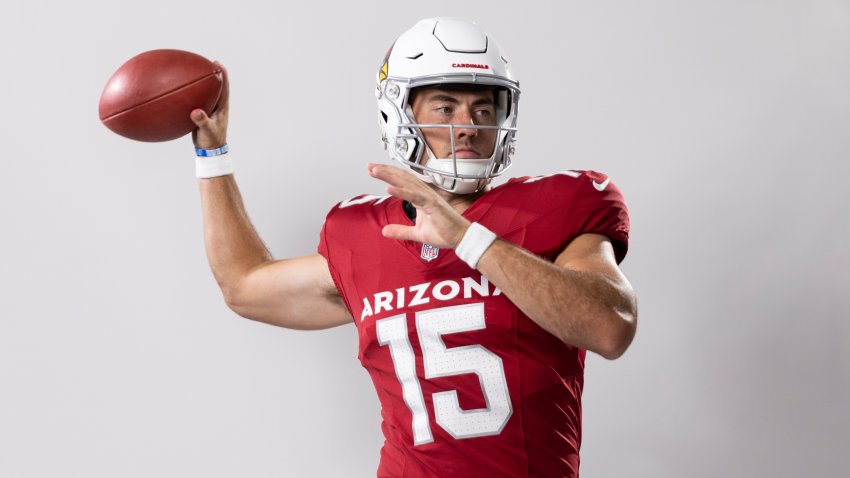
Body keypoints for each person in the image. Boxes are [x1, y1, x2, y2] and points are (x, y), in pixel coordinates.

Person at [189, 17, 637, 478]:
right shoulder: (364, 232)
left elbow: (611, 328)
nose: (467, 127)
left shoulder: (559, 205)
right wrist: (211, 154)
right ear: (398, 112)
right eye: (445, 108)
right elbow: (243, 286)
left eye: (483, 109)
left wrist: (469, 238)